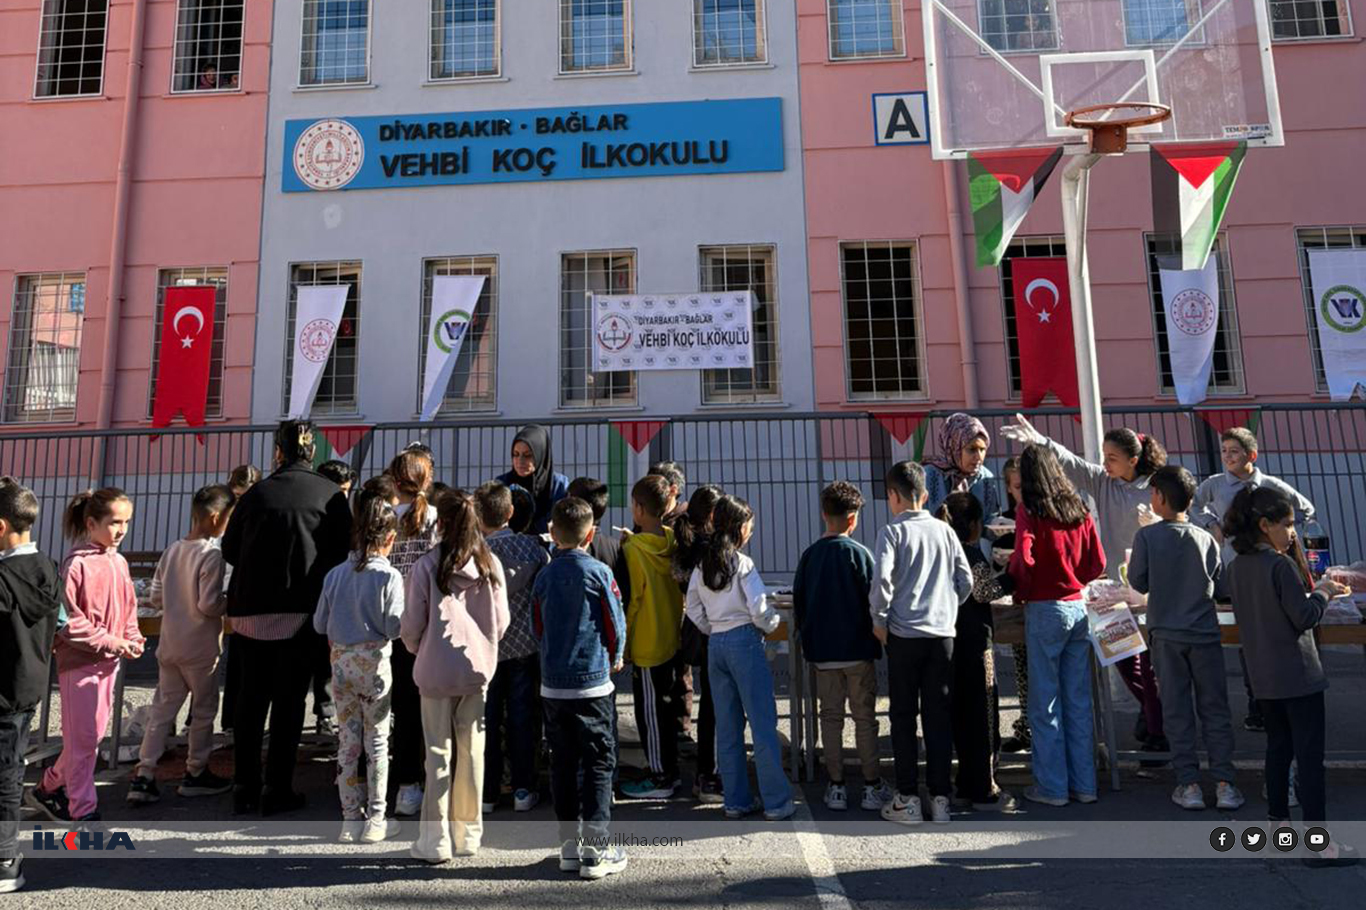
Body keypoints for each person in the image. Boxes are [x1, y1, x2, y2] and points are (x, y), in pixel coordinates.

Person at [1002, 414, 1169, 759]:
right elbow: (1070, 462)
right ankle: (1155, 719)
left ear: (1133, 461)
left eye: (1112, 458)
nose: (1104, 463)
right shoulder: (1102, 482)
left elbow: (1182, 515)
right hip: (1110, 589)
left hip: (1151, 589)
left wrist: (1159, 524)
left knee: (1154, 665)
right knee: (1125, 660)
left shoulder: (1156, 486)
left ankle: (1158, 727)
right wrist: (1038, 440)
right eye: (1104, 456)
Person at [222, 420, 352, 816]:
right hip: (301, 612)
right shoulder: (330, 495)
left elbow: (230, 549)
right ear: (314, 453)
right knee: (289, 703)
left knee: (250, 701)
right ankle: (277, 788)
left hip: (250, 613)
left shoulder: (256, 494)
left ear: (278, 451)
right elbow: (342, 554)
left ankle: (244, 786)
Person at [1224, 488, 1358, 868]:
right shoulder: (1279, 566)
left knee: (1278, 751)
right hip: (1298, 674)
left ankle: (1278, 831)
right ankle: (1317, 845)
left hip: (1263, 675)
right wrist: (1323, 592)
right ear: (1265, 526)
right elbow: (1303, 617)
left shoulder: (1238, 566)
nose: (1292, 532)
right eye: (1286, 524)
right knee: (1310, 760)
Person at [402, 490, 509, 864]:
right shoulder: (489, 563)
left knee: (437, 753)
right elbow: (503, 621)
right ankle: (467, 835)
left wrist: (422, 648)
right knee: (473, 751)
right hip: (477, 668)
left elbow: (412, 624)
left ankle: (435, 841)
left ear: (441, 522)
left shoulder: (426, 565)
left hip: (434, 667)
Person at [1128, 466, 1243, 812]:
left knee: (1176, 710)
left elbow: (1139, 582)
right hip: (1205, 633)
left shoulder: (1147, 537)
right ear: (1191, 501)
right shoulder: (1205, 539)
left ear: (1159, 499)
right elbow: (1221, 587)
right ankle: (1225, 783)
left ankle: (1188, 784)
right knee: (1215, 709)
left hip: (1165, 634)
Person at [28, 489, 144, 824]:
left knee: (87, 739)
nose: (121, 530)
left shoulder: (118, 561)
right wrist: (113, 641)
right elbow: (68, 623)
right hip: (79, 663)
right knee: (83, 742)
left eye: (126, 522)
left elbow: (128, 608)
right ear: (91, 523)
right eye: (114, 523)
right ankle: (83, 810)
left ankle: (48, 788)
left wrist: (131, 638)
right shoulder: (76, 564)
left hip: (108, 661)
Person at [1191, 426, 1316, 733]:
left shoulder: (1270, 487)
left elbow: (1306, 509)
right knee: (1248, 640)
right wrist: (1211, 524)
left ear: (1251, 455)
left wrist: (1282, 531)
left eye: (1234, 451)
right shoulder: (1215, 485)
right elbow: (1193, 505)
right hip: (1235, 572)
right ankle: (1256, 703)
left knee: (1274, 636)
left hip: (1269, 572)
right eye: (1224, 451)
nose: (1227, 457)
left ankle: (1276, 701)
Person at [533, 497, 629, 879]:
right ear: (592, 534)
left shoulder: (544, 575)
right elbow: (614, 619)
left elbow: (536, 626)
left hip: (553, 685)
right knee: (598, 762)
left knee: (562, 761)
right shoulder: (599, 572)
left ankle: (569, 846)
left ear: (553, 533)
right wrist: (617, 653)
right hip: (592, 683)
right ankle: (596, 848)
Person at [873, 461, 973, 826]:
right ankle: (941, 797)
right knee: (938, 716)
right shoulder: (945, 532)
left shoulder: (891, 532)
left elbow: (881, 582)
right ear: (926, 496)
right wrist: (947, 609)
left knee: (902, 716)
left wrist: (879, 620)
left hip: (903, 634)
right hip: (942, 634)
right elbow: (966, 582)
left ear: (893, 496)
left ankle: (908, 798)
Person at [1007, 445, 1106, 808]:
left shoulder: (1029, 511)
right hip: (1077, 605)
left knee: (1044, 703)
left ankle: (1052, 787)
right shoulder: (1078, 508)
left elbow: (1024, 558)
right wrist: (1074, 579)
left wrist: (1020, 587)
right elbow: (1097, 562)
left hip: (1044, 608)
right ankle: (1085, 784)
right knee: (1078, 701)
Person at [685, 495, 793, 821]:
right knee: (762, 724)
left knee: (727, 727)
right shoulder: (742, 564)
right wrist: (773, 625)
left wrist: (711, 628)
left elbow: (692, 607)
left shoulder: (703, 564)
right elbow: (760, 610)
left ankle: (735, 800)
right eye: (750, 525)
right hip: (745, 640)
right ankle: (776, 802)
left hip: (716, 643)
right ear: (740, 528)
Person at [128, 485, 236, 806]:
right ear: (216, 518)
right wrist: (228, 601)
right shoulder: (211, 554)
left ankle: (144, 773)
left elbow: (156, 596)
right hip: (200, 646)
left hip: (170, 641)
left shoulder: (173, 549)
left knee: (162, 709)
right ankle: (196, 771)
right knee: (203, 711)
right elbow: (208, 604)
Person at [313, 492, 405, 845]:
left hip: (341, 663)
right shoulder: (390, 578)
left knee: (348, 740)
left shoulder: (335, 574)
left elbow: (320, 624)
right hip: (375, 665)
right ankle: (378, 817)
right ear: (390, 538)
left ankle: (350, 817)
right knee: (377, 740)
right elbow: (395, 627)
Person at [792, 482, 888, 813]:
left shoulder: (810, 556)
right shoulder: (861, 555)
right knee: (864, 718)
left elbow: (800, 603)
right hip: (858, 651)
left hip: (823, 654)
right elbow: (875, 601)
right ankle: (872, 785)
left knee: (830, 718)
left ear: (823, 514)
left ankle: (835, 785)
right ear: (853, 519)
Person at [0, 477, 62, 894]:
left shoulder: (4, 576)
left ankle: (5, 858)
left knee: (5, 775)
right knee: (9, 768)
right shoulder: (48, 567)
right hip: (27, 684)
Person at [475, 481, 550, 814]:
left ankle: (487, 793)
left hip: (484, 647)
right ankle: (523, 788)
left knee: (485, 721)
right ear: (510, 513)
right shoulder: (533, 550)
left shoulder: (473, 553)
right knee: (523, 719)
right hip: (523, 645)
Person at [939, 491, 1014, 812]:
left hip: (947, 643)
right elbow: (986, 592)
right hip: (975, 643)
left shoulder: (940, 554)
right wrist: (1012, 576)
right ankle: (985, 787)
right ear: (972, 525)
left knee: (958, 715)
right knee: (983, 716)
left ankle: (963, 783)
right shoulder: (970, 554)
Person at [619, 475, 684, 800]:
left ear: (640, 509)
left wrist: (624, 643)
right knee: (666, 708)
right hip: (671, 636)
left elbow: (633, 601)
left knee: (650, 714)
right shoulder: (671, 539)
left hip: (645, 642)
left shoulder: (632, 549)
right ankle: (667, 769)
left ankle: (660, 776)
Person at [385, 449, 440, 819]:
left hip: (388, 622)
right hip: (427, 624)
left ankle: (398, 784)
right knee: (426, 708)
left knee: (394, 707)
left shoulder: (384, 518)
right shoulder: (435, 519)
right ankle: (423, 784)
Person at [671, 484, 724, 804]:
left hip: (694, 632)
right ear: (716, 516)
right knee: (717, 708)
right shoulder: (712, 549)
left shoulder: (684, 546)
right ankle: (710, 775)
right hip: (717, 633)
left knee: (711, 705)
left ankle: (706, 774)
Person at [993, 457, 1032, 754]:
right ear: (1008, 487)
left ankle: (1036, 727)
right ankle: (1026, 727)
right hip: (1017, 603)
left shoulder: (1044, 515)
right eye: (1018, 486)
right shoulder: (1004, 519)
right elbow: (999, 563)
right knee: (1023, 668)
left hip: (1041, 600)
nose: (1024, 491)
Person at [923, 413, 1002, 527]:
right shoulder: (928, 475)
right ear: (954, 447)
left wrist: (998, 525)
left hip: (971, 544)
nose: (979, 456)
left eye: (982, 449)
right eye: (972, 449)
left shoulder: (985, 477)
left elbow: (988, 520)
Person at [497, 425, 569, 536]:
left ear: (540, 455)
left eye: (527, 455)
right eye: (515, 455)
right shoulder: (502, 484)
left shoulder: (558, 485)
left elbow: (561, 524)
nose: (520, 461)